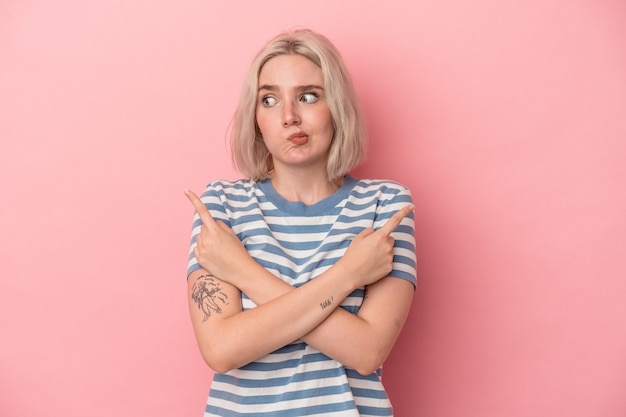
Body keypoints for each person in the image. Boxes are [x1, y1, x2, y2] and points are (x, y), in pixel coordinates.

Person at [185, 28, 417, 417]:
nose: (290, 116)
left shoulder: (385, 204)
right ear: (256, 118)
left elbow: (366, 351)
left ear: (337, 107)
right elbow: (221, 350)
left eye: (308, 96)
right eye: (270, 100)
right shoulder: (222, 204)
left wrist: (240, 270)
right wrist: (350, 273)